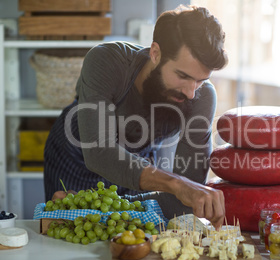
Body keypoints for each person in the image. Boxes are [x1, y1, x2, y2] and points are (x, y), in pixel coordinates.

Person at [44, 5, 228, 229]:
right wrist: (177, 184)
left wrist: (95, 208)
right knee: (68, 236)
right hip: (76, 155)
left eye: (200, 80)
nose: (191, 92)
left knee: (124, 234)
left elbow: (183, 200)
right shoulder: (106, 61)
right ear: (155, 53)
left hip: (138, 164)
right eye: (182, 76)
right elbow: (99, 152)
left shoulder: (202, 97)